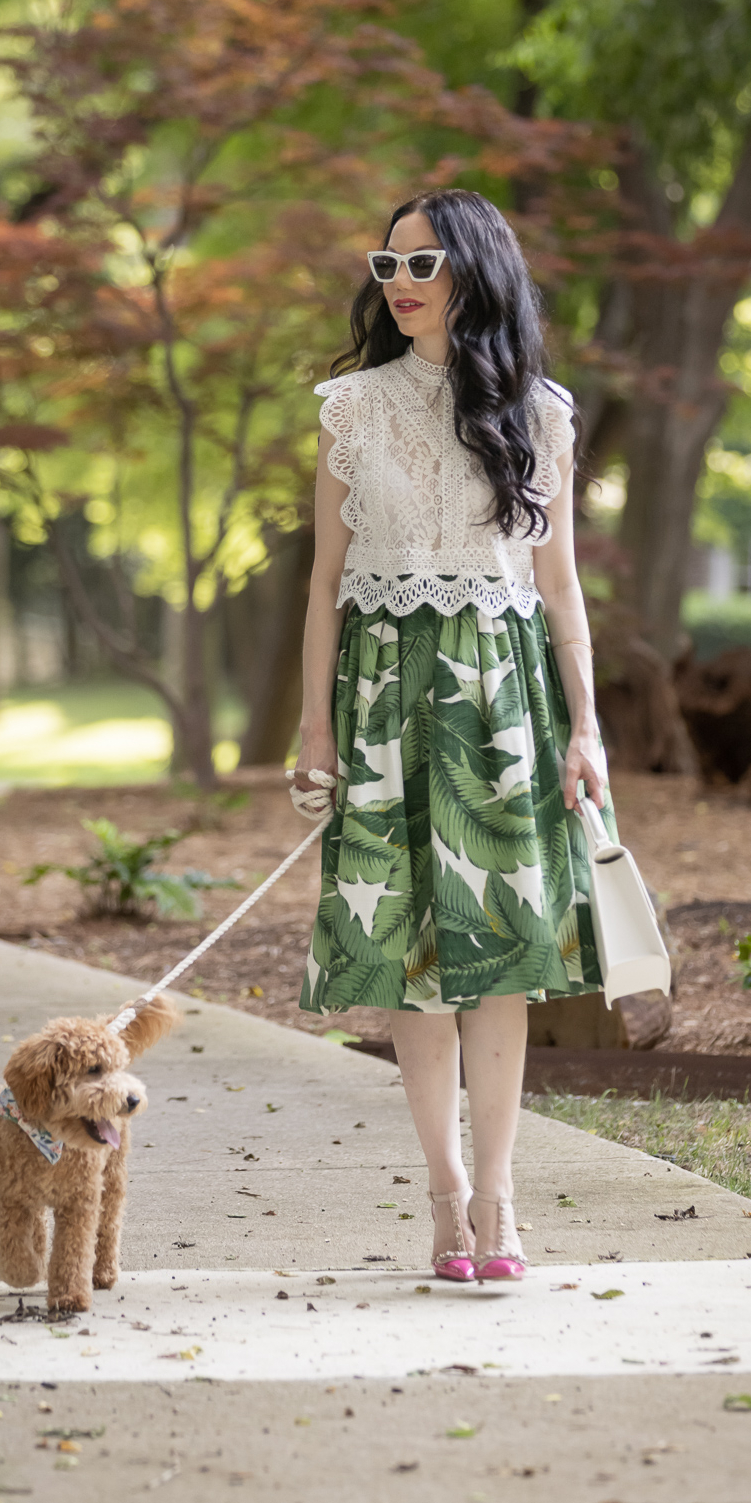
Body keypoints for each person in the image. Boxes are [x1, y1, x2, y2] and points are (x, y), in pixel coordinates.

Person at [289, 187, 615, 1284]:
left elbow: (561, 587)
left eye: (422, 266)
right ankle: (443, 1198)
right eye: (388, 269)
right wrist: (311, 729)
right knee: (410, 959)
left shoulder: (542, 413)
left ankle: (502, 1198)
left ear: (476, 273)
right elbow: (325, 587)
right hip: (383, 691)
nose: (402, 287)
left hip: (504, 697)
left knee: (499, 956)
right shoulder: (349, 408)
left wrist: (588, 731)